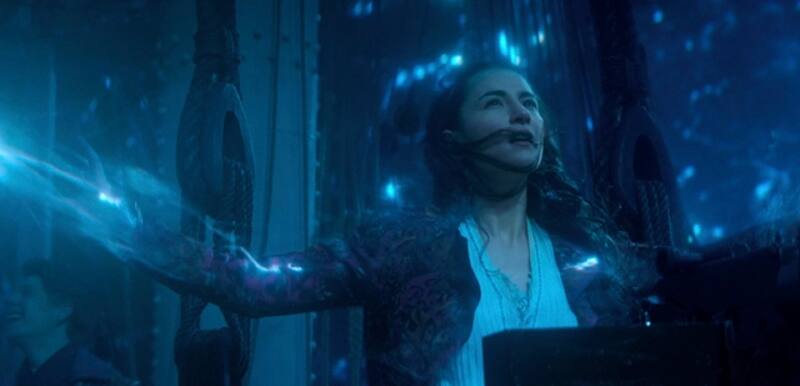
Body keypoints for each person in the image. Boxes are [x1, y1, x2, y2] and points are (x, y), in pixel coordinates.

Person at [122, 62, 657, 385]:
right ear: (454, 140)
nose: (521, 114)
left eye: (529, 104)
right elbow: (254, 283)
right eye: (495, 103)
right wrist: (124, 228)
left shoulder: (587, 265)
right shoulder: (403, 248)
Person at [3, 259, 135, 386]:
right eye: (14, 292)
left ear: (63, 309)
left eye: (26, 292)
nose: (11, 299)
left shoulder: (101, 381)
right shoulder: (16, 378)